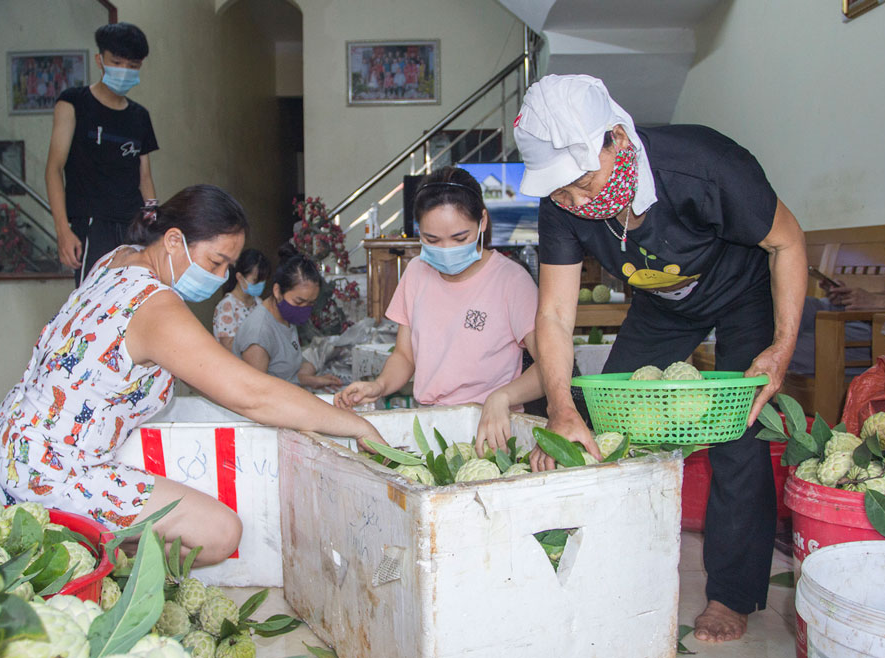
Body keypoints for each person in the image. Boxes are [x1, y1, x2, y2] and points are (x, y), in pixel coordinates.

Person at [513, 75, 807, 643]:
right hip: (661, 302)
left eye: (582, 183)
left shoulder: (704, 164)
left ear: (617, 140)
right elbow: (552, 316)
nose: (575, 202)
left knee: (737, 431)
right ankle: (604, 566)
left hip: (744, 291)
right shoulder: (562, 206)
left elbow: (788, 242)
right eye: (560, 194)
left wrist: (781, 347)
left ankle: (730, 593)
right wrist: (559, 407)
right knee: (610, 415)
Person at [0, 185, 383, 566]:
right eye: (216, 262)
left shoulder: (118, 258)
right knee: (218, 533)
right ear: (174, 241)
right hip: (49, 468)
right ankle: (83, 561)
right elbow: (252, 393)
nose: (221, 276)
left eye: (229, 266)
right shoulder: (154, 306)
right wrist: (353, 425)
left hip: (16, 440)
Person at [334, 166, 544, 455]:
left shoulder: (511, 280)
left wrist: (502, 397)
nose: (446, 250)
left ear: (482, 221)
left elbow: (549, 368)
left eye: (459, 238)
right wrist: (379, 385)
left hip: (491, 430)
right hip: (431, 424)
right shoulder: (416, 273)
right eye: (432, 240)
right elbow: (404, 355)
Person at [46, 22, 158, 286]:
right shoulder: (73, 102)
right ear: (100, 60)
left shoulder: (140, 116)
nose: (124, 72)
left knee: (134, 301)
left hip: (134, 226)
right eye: (117, 62)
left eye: (133, 66)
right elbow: (53, 168)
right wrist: (63, 230)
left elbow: (145, 177)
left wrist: (154, 226)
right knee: (92, 304)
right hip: (93, 224)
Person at [233, 247, 343, 391]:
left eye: (310, 303)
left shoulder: (284, 318)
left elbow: (284, 376)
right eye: (298, 302)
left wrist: (314, 381)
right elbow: (256, 393)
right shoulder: (259, 334)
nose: (304, 308)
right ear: (278, 291)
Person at [789, 234, 885, 376]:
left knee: (783, 345)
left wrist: (878, 302)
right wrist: (851, 297)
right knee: (799, 306)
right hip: (864, 317)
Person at [213, 248, 271, 351]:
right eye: (255, 281)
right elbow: (229, 348)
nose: (260, 285)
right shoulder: (227, 307)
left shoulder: (259, 303)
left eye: (263, 281)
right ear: (240, 277)